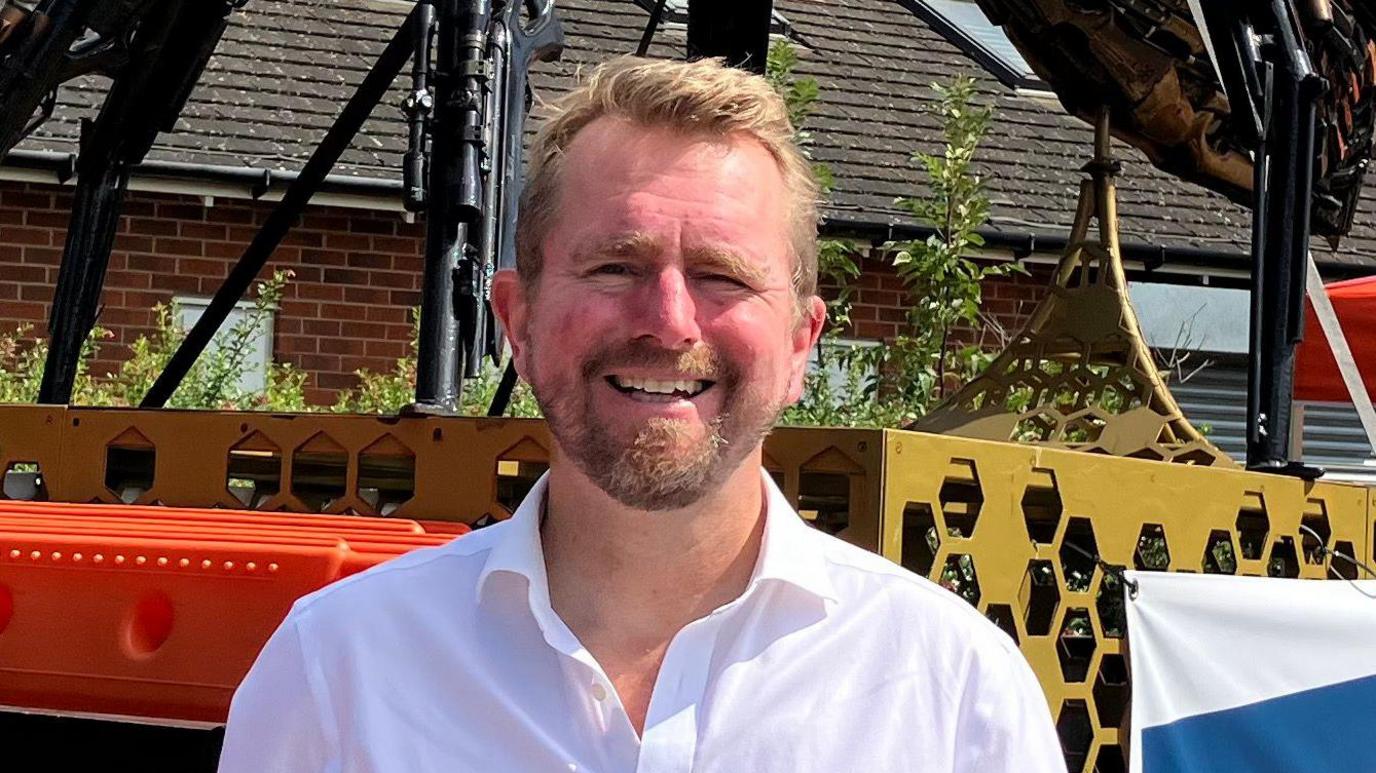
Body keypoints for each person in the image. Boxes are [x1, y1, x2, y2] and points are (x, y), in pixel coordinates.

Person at [218, 56, 1066, 773]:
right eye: (616, 265)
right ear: (516, 320)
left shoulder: (955, 694)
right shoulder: (339, 667)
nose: (668, 320)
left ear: (803, 342)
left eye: (723, 275)